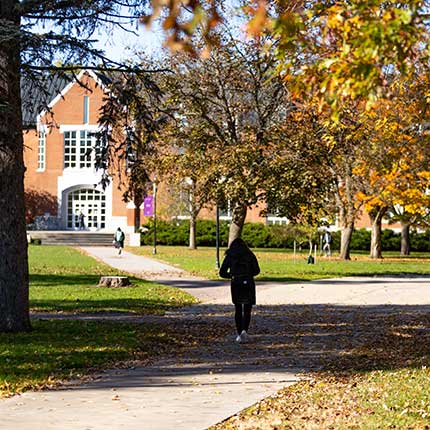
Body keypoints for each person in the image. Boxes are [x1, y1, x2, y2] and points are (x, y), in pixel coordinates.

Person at [219, 238, 260, 343]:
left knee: (238, 308)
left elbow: (222, 272)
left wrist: (232, 275)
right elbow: (257, 270)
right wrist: (249, 274)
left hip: (236, 282)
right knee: (247, 309)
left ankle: (239, 333)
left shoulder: (230, 256)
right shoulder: (250, 255)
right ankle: (244, 331)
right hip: (248, 282)